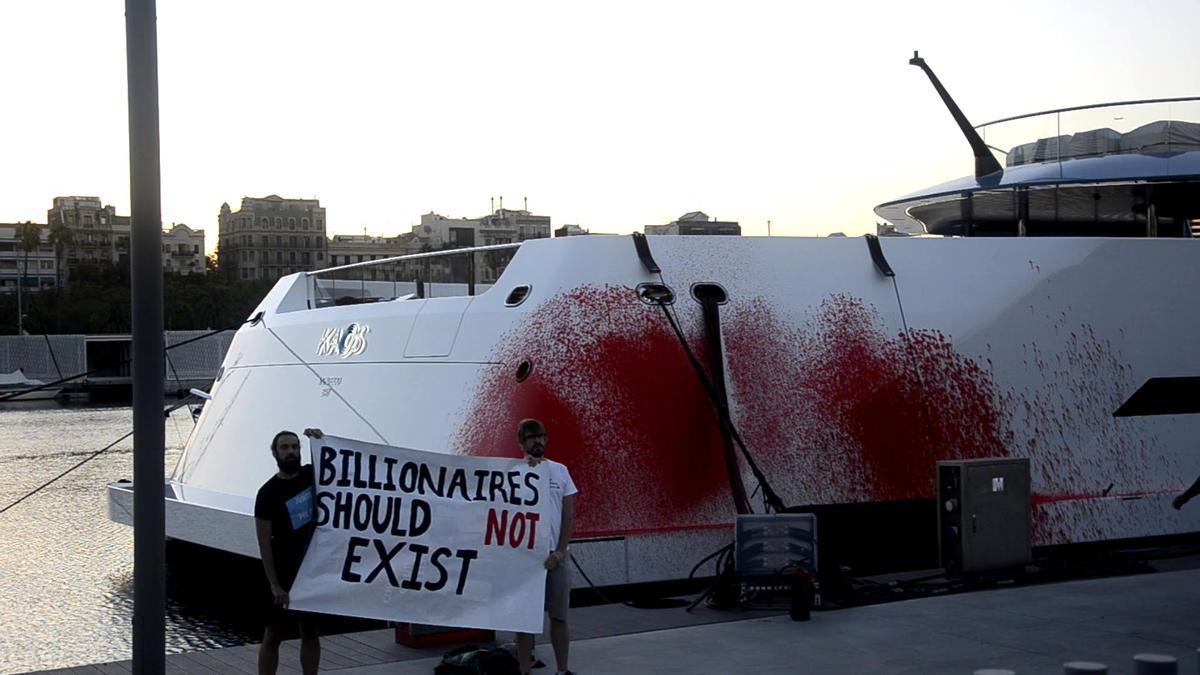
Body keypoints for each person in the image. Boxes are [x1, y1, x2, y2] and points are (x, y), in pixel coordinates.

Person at [255, 428, 322, 675]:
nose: (291, 451)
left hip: (311, 567)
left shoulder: (311, 476)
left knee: (311, 631)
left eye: (295, 447)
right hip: (283, 570)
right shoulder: (267, 493)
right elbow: (263, 542)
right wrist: (274, 584)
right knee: (273, 634)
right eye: (285, 447)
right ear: (275, 453)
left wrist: (320, 440)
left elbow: (334, 463)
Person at [515, 418, 578, 675]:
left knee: (560, 616)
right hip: (525, 558)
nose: (537, 441)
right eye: (531, 437)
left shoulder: (560, 471)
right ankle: (524, 670)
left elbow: (568, 516)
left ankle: (563, 670)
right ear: (521, 442)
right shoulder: (511, 472)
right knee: (524, 620)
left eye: (541, 436)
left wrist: (560, 551)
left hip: (556, 557)